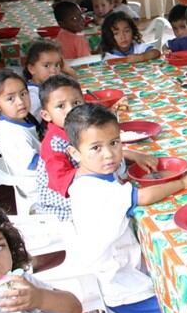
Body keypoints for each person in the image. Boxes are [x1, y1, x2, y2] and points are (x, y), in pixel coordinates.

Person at [65, 103, 187, 313]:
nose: (110, 155)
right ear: (74, 153)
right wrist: (183, 183)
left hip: (120, 267)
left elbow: (119, 167)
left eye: (114, 143)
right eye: (96, 148)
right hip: (120, 280)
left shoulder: (93, 175)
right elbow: (145, 196)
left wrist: (131, 154)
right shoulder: (97, 192)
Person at [35, 75, 157, 220]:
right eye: (61, 106)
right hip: (65, 207)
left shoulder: (81, 129)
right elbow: (61, 182)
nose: (71, 109)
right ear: (46, 115)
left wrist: (126, 155)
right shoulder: (53, 143)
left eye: (76, 102)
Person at [0, 69, 43, 201]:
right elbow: (36, 164)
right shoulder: (12, 133)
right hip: (38, 187)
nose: (20, 101)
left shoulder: (18, 120)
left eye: (23, 94)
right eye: (10, 98)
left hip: (38, 177)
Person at [23, 40, 68, 119]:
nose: (53, 70)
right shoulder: (33, 96)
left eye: (57, 65)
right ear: (31, 69)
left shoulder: (49, 86)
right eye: (47, 65)